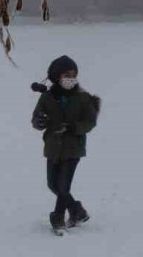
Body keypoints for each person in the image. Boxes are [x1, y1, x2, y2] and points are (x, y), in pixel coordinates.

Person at [30, 55, 100, 235]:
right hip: (52, 147)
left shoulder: (83, 97)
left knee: (63, 186)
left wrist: (72, 128)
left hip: (73, 147)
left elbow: (90, 122)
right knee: (52, 184)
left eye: (73, 74)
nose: (71, 78)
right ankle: (77, 211)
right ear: (56, 76)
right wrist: (40, 121)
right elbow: (36, 118)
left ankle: (58, 218)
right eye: (66, 74)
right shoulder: (47, 97)